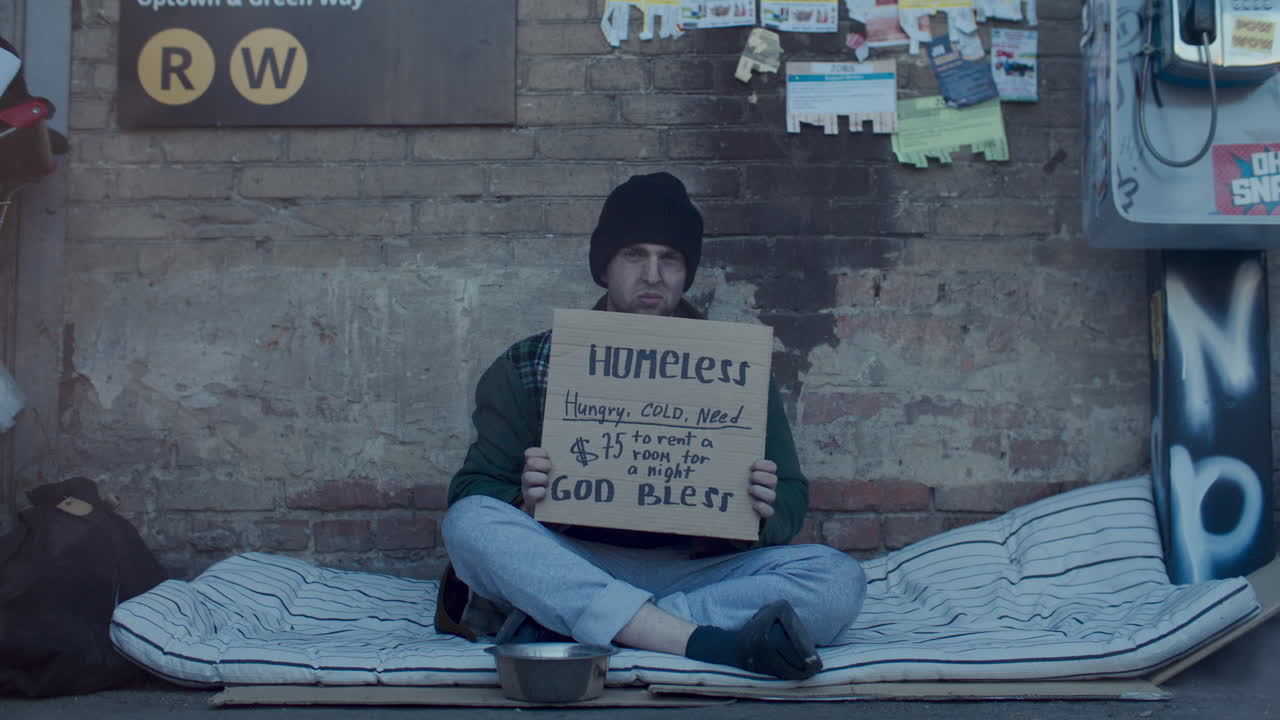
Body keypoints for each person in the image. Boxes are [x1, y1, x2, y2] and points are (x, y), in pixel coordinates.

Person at [437, 172, 865, 680]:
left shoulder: (735, 368)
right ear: (604, 268)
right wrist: (524, 500)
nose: (653, 275)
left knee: (839, 581)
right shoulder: (530, 362)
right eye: (634, 255)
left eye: (670, 258)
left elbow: (791, 494)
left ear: (686, 272)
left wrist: (765, 507)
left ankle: (598, 625)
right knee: (470, 524)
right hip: (576, 560)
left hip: (694, 569)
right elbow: (473, 490)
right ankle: (692, 639)